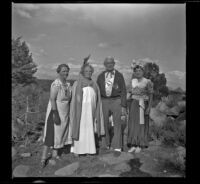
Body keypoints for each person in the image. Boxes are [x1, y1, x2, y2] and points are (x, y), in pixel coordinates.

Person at [70, 59, 105, 156]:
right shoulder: (77, 83)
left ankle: (89, 150)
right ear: (82, 72)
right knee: (80, 129)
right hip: (80, 112)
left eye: (90, 71)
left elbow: (98, 100)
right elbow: (73, 100)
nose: (88, 73)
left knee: (89, 128)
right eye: (86, 71)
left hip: (91, 111)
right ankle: (77, 150)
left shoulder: (94, 84)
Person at [40, 64, 72, 168]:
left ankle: (55, 155)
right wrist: (55, 114)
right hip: (55, 111)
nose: (65, 73)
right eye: (63, 71)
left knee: (60, 134)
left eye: (67, 71)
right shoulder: (56, 84)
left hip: (65, 112)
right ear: (58, 72)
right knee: (51, 134)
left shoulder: (67, 84)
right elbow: (52, 99)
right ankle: (43, 158)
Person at [97, 56, 127, 152]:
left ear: (114, 64)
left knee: (117, 123)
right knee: (104, 123)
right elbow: (97, 90)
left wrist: (123, 105)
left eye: (111, 63)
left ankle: (117, 146)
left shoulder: (119, 75)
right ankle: (106, 144)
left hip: (116, 100)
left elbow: (123, 91)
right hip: (104, 100)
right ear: (105, 65)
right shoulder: (100, 76)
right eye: (107, 63)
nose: (109, 64)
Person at [127, 60, 153, 153]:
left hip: (142, 104)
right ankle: (133, 144)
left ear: (143, 71)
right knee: (133, 124)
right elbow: (129, 93)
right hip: (133, 104)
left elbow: (150, 95)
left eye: (140, 71)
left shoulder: (147, 81)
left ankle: (140, 144)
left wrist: (149, 107)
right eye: (136, 71)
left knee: (141, 124)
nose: (138, 72)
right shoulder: (132, 81)